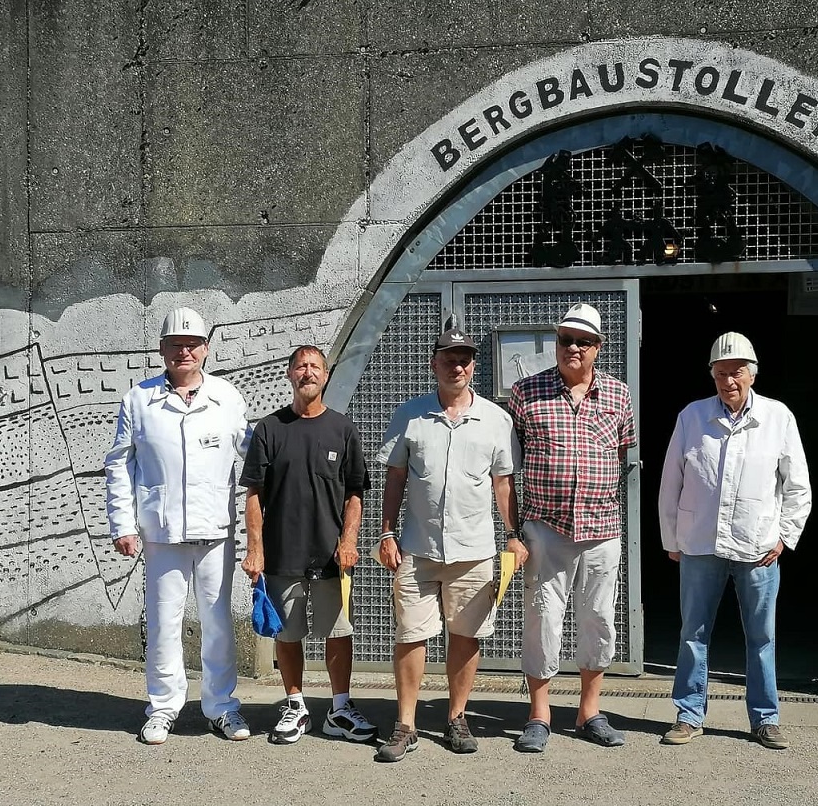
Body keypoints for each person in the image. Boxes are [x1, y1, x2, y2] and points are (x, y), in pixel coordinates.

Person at [373, 325, 523, 762]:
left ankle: (457, 717)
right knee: (410, 635)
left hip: (474, 549)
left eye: (464, 359)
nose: (456, 366)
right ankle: (406, 724)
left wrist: (512, 535)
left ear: (473, 364)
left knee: (466, 635)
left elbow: (503, 484)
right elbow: (395, 477)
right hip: (417, 549)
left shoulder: (496, 419)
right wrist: (386, 532)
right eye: (448, 358)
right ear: (433, 363)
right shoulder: (410, 415)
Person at [105, 307, 253, 745]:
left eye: (192, 345)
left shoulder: (228, 397)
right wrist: (122, 524)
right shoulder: (138, 399)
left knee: (218, 621)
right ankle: (163, 707)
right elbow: (118, 465)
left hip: (214, 530)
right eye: (175, 345)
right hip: (160, 531)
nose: (184, 352)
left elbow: (254, 455)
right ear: (162, 349)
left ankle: (221, 707)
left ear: (205, 349)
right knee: (164, 621)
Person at [657, 332, 811, 750]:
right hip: (699, 544)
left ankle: (765, 718)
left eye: (737, 372)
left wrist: (784, 537)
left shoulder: (778, 417)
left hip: (758, 546)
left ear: (753, 374)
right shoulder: (692, 417)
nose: (729, 381)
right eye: (721, 373)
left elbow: (797, 486)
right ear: (712, 375)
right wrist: (672, 537)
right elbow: (672, 481)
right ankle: (689, 715)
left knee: (761, 636)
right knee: (693, 632)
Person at [509, 302, 636, 753]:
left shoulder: (620, 396)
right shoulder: (526, 393)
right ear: (556, 343)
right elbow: (512, 463)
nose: (573, 348)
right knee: (543, 618)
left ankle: (589, 711)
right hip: (547, 527)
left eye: (584, 341)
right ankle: (539, 714)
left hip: (602, 528)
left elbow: (621, 454)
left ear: (598, 347)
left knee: (598, 619)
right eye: (566, 339)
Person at [239, 345, 378, 746]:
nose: (307, 373)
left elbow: (355, 493)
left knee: (338, 631)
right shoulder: (269, 429)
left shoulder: (342, 428)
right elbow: (253, 494)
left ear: (326, 375)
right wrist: (255, 549)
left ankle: (339, 709)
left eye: (315, 366)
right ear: (289, 375)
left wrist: (349, 541)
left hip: (332, 557)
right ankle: (295, 705)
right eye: (300, 366)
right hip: (282, 555)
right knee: (287, 634)